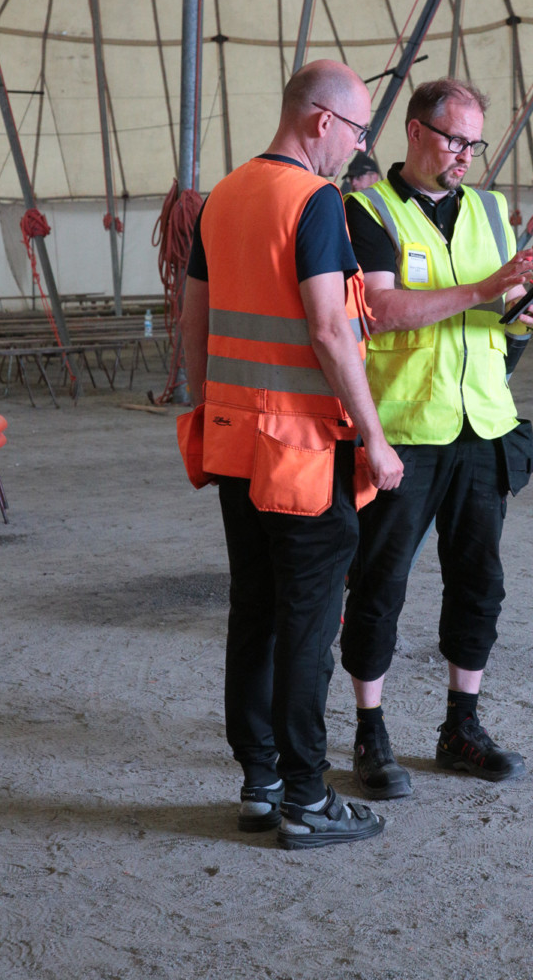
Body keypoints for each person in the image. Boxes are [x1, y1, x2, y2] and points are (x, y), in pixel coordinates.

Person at [180, 59, 404, 849]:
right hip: (303, 455)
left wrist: (211, 406)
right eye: (357, 130)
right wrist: (374, 436)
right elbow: (330, 328)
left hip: (235, 446)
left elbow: (194, 319)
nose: (358, 147)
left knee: (255, 613)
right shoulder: (314, 201)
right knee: (307, 628)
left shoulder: (224, 198)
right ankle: (308, 798)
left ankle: (261, 783)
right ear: (321, 121)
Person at [340, 77, 533, 801]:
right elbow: (380, 309)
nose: (466, 155)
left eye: (475, 143)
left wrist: (531, 312)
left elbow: (502, 312)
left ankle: (460, 726)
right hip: (404, 431)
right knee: (379, 585)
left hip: (484, 426)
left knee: (479, 583)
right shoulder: (366, 210)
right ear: (414, 132)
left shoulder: (492, 212)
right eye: (453, 140)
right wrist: (486, 289)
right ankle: (370, 732)